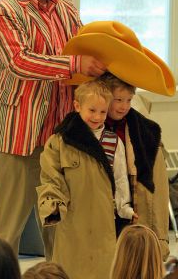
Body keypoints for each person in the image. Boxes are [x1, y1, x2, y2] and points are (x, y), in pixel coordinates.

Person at [0, 0, 106, 257]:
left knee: (57, 220)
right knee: (6, 224)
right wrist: (76, 64)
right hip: (18, 134)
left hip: (60, 136)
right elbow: (19, 61)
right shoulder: (4, 12)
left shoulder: (66, 7)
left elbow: (81, 50)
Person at [37, 79, 136, 279]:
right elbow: (50, 176)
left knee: (103, 268)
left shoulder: (113, 141)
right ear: (77, 106)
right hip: (71, 218)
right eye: (92, 110)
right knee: (68, 269)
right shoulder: (60, 141)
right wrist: (52, 205)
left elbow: (120, 179)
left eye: (102, 112)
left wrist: (125, 207)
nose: (97, 117)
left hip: (104, 220)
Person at [100, 72, 170, 260]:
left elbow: (158, 189)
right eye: (118, 100)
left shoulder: (145, 132)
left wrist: (160, 237)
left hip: (133, 202)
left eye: (129, 100)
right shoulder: (92, 126)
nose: (124, 106)